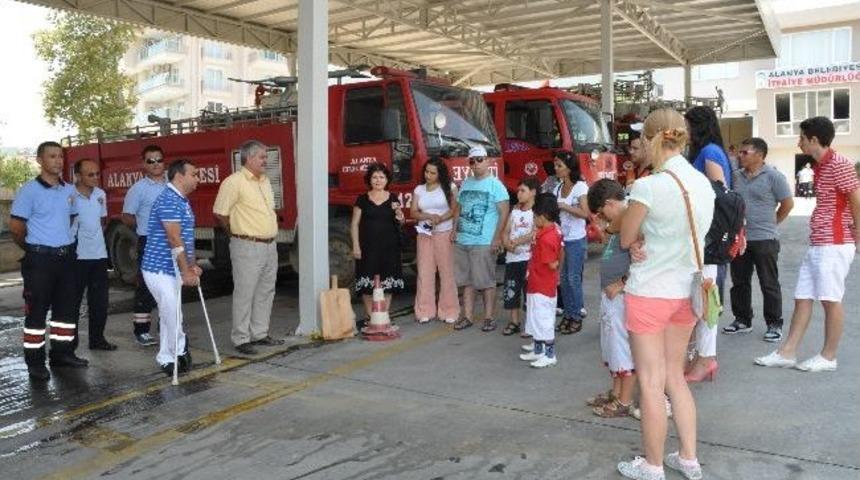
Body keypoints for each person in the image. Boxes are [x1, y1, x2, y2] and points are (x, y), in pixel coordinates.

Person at [617, 109, 714, 480]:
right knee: (676, 376)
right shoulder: (702, 183)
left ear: (654, 138)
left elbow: (625, 237)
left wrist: (638, 238)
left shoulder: (649, 185)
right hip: (686, 292)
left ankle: (653, 465)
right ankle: (689, 459)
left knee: (652, 382)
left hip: (649, 293)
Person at [756, 117, 860, 373]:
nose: (798, 142)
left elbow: (856, 197)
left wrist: (857, 233)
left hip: (835, 243)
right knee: (803, 297)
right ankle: (787, 352)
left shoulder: (839, 164)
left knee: (830, 299)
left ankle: (828, 356)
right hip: (820, 242)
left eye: (801, 137)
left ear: (814, 139)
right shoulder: (821, 165)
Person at [10, 141, 87, 381]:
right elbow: (16, 227)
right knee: (36, 313)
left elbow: (72, 218)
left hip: (65, 261)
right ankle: (35, 363)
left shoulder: (69, 191)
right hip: (39, 261)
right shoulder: (29, 190)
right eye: (52, 156)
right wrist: (34, 249)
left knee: (65, 311)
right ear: (40, 160)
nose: (57, 161)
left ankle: (62, 354)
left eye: (60, 157)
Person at [213, 140, 283, 355]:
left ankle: (260, 334)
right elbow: (220, 213)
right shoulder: (234, 182)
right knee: (245, 293)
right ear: (249, 158)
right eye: (262, 157)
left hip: (270, 245)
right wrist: (236, 234)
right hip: (247, 245)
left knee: (266, 291)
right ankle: (241, 338)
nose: (266, 160)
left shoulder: (264, 181)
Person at [725, 138, 793, 343]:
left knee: (769, 283)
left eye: (745, 152)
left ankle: (774, 323)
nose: (740, 155)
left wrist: (772, 224)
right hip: (740, 239)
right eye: (740, 152)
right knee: (739, 282)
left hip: (765, 239)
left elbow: (787, 204)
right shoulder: (735, 177)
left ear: (760, 155)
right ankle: (742, 320)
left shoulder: (774, 177)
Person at [683, 105, 732, 383]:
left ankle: (706, 359)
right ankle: (700, 357)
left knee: (706, 301)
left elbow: (720, 192)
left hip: (709, 240)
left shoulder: (709, 153)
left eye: (687, 125)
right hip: (703, 238)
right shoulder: (706, 152)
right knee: (700, 299)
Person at [141, 159, 201, 375]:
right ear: (179, 176)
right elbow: (174, 238)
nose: (197, 179)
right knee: (171, 313)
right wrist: (186, 271)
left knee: (171, 313)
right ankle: (177, 351)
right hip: (159, 268)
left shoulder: (181, 200)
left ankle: (169, 356)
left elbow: (186, 238)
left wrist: (192, 266)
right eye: (193, 174)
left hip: (171, 267)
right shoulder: (168, 199)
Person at [587, 179, 636, 418]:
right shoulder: (618, 224)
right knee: (611, 348)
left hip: (620, 297)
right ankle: (616, 393)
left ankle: (625, 400)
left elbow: (644, 258)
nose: (602, 218)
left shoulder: (630, 219)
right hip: (610, 296)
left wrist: (623, 282)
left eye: (602, 212)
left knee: (622, 349)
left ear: (609, 203)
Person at [451, 146, 509, 332]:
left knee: (486, 282)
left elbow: (504, 212)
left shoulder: (496, 185)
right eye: (472, 161)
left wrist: (498, 238)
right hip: (463, 240)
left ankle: (489, 317)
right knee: (466, 281)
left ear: (488, 161)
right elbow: (458, 209)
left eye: (479, 159)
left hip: (483, 241)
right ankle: (467, 316)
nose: (475, 164)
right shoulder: (466, 183)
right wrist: (454, 230)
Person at [122, 145, 167, 346]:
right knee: (147, 287)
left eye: (159, 160)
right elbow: (127, 216)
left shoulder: (172, 184)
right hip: (149, 242)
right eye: (151, 161)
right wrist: (144, 227)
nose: (156, 164)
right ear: (144, 165)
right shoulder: (138, 189)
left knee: (170, 287)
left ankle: (167, 328)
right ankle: (141, 331)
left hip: (170, 241)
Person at [351, 163, 406, 326]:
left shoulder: (393, 198)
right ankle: (370, 317)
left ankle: (384, 316)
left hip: (389, 247)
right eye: (375, 177)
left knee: (388, 282)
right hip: (367, 248)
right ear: (369, 179)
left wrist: (400, 216)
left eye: (382, 177)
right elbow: (354, 224)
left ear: (387, 180)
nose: (378, 180)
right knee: (367, 283)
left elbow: (401, 222)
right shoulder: (362, 199)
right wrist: (355, 245)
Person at [71, 159, 116, 352]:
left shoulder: (100, 194)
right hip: (76, 257)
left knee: (99, 301)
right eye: (90, 174)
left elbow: (101, 221)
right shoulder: (68, 195)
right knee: (72, 303)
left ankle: (97, 340)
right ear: (78, 176)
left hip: (98, 256)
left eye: (97, 174)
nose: (96, 178)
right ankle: (68, 346)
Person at [411, 158, 459, 324]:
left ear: (440, 174)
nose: (428, 175)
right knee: (425, 272)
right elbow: (413, 212)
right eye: (426, 172)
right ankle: (424, 310)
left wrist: (441, 219)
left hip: (444, 233)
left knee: (446, 273)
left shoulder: (450, 187)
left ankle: (449, 310)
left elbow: (455, 209)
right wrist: (428, 216)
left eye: (432, 173)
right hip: (424, 234)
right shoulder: (419, 189)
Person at [518, 193, 561, 368]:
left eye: (535, 216)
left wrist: (555, 263)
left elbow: (552, 264)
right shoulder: (547, 232)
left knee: (543, 321)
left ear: (542, 217)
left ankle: (549, 354)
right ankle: (538, 349)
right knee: (535, 318)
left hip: (543, 286)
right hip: (537, 283)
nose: (533, 219)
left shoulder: (547, 238)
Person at [553, 150, 589, 335]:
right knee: (564, 280)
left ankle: (575, 315)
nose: (556, 169)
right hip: (562, 240)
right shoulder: (557, 188)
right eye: (556, 165)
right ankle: (568, 313)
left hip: (576, 240)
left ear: (569, 167)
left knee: (573, 279)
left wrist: (565, 207)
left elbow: (586, 213)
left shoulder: (580, 187)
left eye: (560, 165)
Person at [501, 177, 538, 336]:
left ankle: (531, 323)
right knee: (511, 289)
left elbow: (534, 233)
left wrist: (516, 242)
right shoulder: (515, 211)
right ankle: (514, 321)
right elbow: (506, 230)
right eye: (518, 191)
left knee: (529, 292)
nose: (519, 194)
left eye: (523, 191)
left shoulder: (536, 212)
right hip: (512, 259)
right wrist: (507, 244)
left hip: (528, 258)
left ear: (533, 193)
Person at [624, 125, 652, 192]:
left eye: (635, 148)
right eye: (630, 148)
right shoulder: (631, 170)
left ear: (647, 148)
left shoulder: (656, 172)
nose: (631, 152)